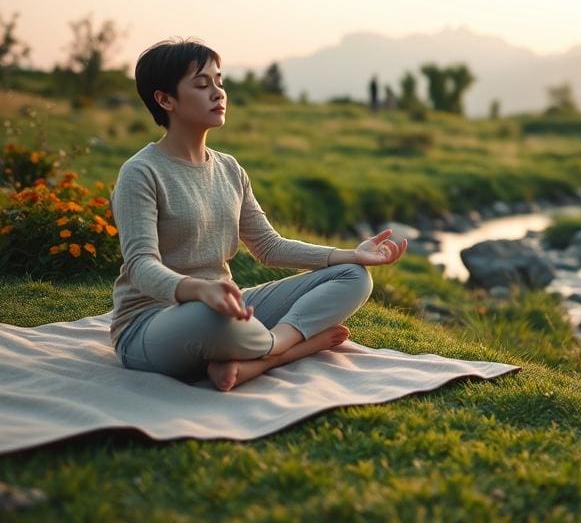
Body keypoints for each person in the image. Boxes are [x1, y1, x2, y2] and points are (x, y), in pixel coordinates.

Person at [110, 38, 407, 392]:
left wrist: (350, 254)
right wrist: (200, 291)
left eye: (220, 82)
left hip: (228, 305)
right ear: (165, 99)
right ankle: (286, 351)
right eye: (202, 85)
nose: (218, 93)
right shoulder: (141, 172)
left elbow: (268, 246)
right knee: (212, 318)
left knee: (353, 278)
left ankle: (262, 350)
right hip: (154, 323)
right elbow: (141, 264)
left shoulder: (229, 169)